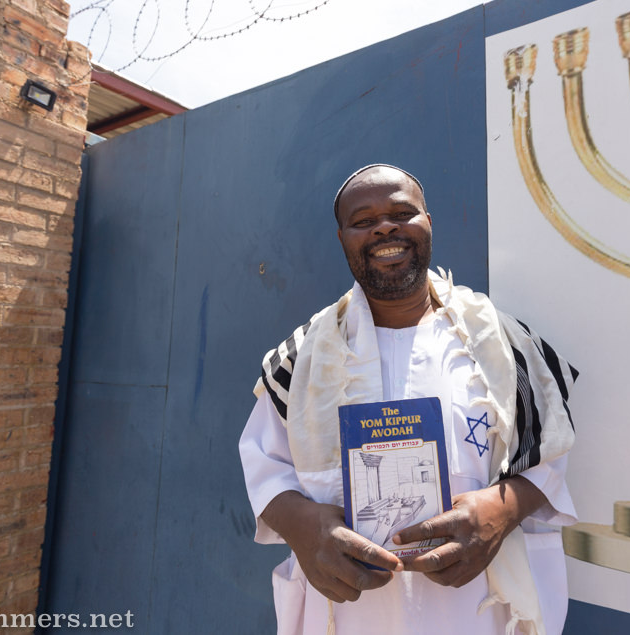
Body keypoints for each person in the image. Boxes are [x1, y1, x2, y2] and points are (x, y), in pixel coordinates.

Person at [239, 164, 578, 635]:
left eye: (402, 212)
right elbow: (263, 466)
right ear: (342, 238)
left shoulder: (502, 343)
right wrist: (305, 527)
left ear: (428, 223)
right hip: (350, 611)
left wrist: (502, 511)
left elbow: (549, 455)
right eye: (363, 220)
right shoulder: (300, 360)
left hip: (479, 610)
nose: (384, 226)